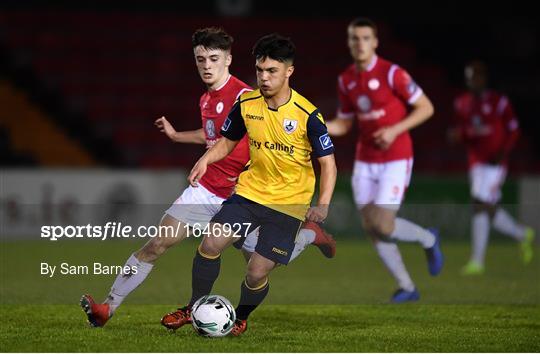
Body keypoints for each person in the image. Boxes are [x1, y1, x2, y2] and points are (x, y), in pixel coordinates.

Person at [80, 28, 335, 328]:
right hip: (213, 190)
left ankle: (308, 235)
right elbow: (218, 137)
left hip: (252, 194)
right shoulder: (207, 99)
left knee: (261, 267)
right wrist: (182, 141)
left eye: (213, 59)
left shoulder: (245, 95)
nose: (206, 65)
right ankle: (108, 308)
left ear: (228, 60)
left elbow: (298, 153)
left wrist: (317, 200)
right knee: (159, 243)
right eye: (200, 59)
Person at [161, 33, 337, 336]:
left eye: (272, 71)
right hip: (250, 192)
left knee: (256, 272)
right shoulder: (246, 102)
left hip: (288, 203)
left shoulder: (308, 115)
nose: (264, 78)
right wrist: (206, 160)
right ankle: (192, 307)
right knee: (211, 242)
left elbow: (328, 163)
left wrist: (322, 205)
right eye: (259, 70)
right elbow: (227, 142)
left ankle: (241, 315)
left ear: (288, 72)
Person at [326, 17, 443, 303]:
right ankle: (407, 287)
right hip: (365, 161)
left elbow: (427, 107)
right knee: (371, 227)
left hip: (396, 157)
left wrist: (394, 129)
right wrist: (311, 123)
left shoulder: (392, 73)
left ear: (375, 42)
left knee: (384, 224)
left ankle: (428, 239)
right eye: (355, 38)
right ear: (349, 42)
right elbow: (343, 125)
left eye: (366, 38)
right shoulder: (346, 79)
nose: (360, 43)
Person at [450, 60, 535, 275]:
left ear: (484, 78)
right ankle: (522, 234)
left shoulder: (499, 101)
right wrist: (457, 136)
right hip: (475, 163)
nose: (472, 81)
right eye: (469, 77)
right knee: (486, 208)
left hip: (495, 164)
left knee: (479, 204)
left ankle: (477, 261)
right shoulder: (461, 103)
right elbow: (466, 131)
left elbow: (514, 130)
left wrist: (502, 152)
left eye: (476, 76)